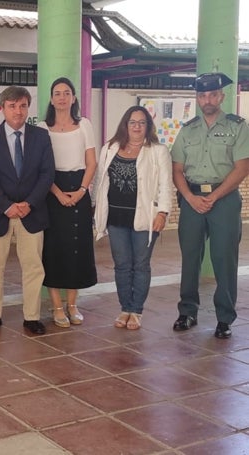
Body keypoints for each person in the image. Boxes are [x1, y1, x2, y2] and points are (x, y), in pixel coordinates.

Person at [171, 72, 249, 339]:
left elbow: (242, 167)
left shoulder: (237, 126)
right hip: (192, 199)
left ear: (221, 96)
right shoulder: (188, 129)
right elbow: (177, 169)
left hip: (224, 199)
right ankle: (187, 311)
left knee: (224, 258)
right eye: (203, 95)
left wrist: (214, 197)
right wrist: (190, 198)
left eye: (212, 94)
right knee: (190, 257)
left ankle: (224, 318)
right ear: (198, 97)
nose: (208, 99)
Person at [0, 85, 55, 335]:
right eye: (12, 106)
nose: (18, 111)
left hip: (32, 212)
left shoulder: (41, 137)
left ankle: (31, 316)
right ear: (3, 109)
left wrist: (28, 203)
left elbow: (47, 174)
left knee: (33, 266)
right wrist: (7, 205)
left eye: (22, 105)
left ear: (28, 107)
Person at [94, 106, 172, 330]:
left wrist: (163, 212)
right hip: (116, 218)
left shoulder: (158, 151)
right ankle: (124, 308)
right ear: (125, 125)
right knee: (121, 265)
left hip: (145, 218)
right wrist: (94, 207)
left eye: (141, 122)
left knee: (140, 264)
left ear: (148, 126)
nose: (137, 126)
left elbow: (166, 185)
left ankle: (136, 310)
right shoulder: (110, 148)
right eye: (132, 122)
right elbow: (100, 180)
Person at [37, 77, 97, 328]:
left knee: (77, 248)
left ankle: (73, 305)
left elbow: (92, 162)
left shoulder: (85, 124)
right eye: (57, 93)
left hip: (79, 189)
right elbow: (40, 167)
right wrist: (58, 192)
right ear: (51, 99)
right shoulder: (42, 127)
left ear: (73, 98)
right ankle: (56, 306)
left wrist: (82, 190)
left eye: (67, 93)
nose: (62, 97)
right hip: (51, 190)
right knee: (53, 249)